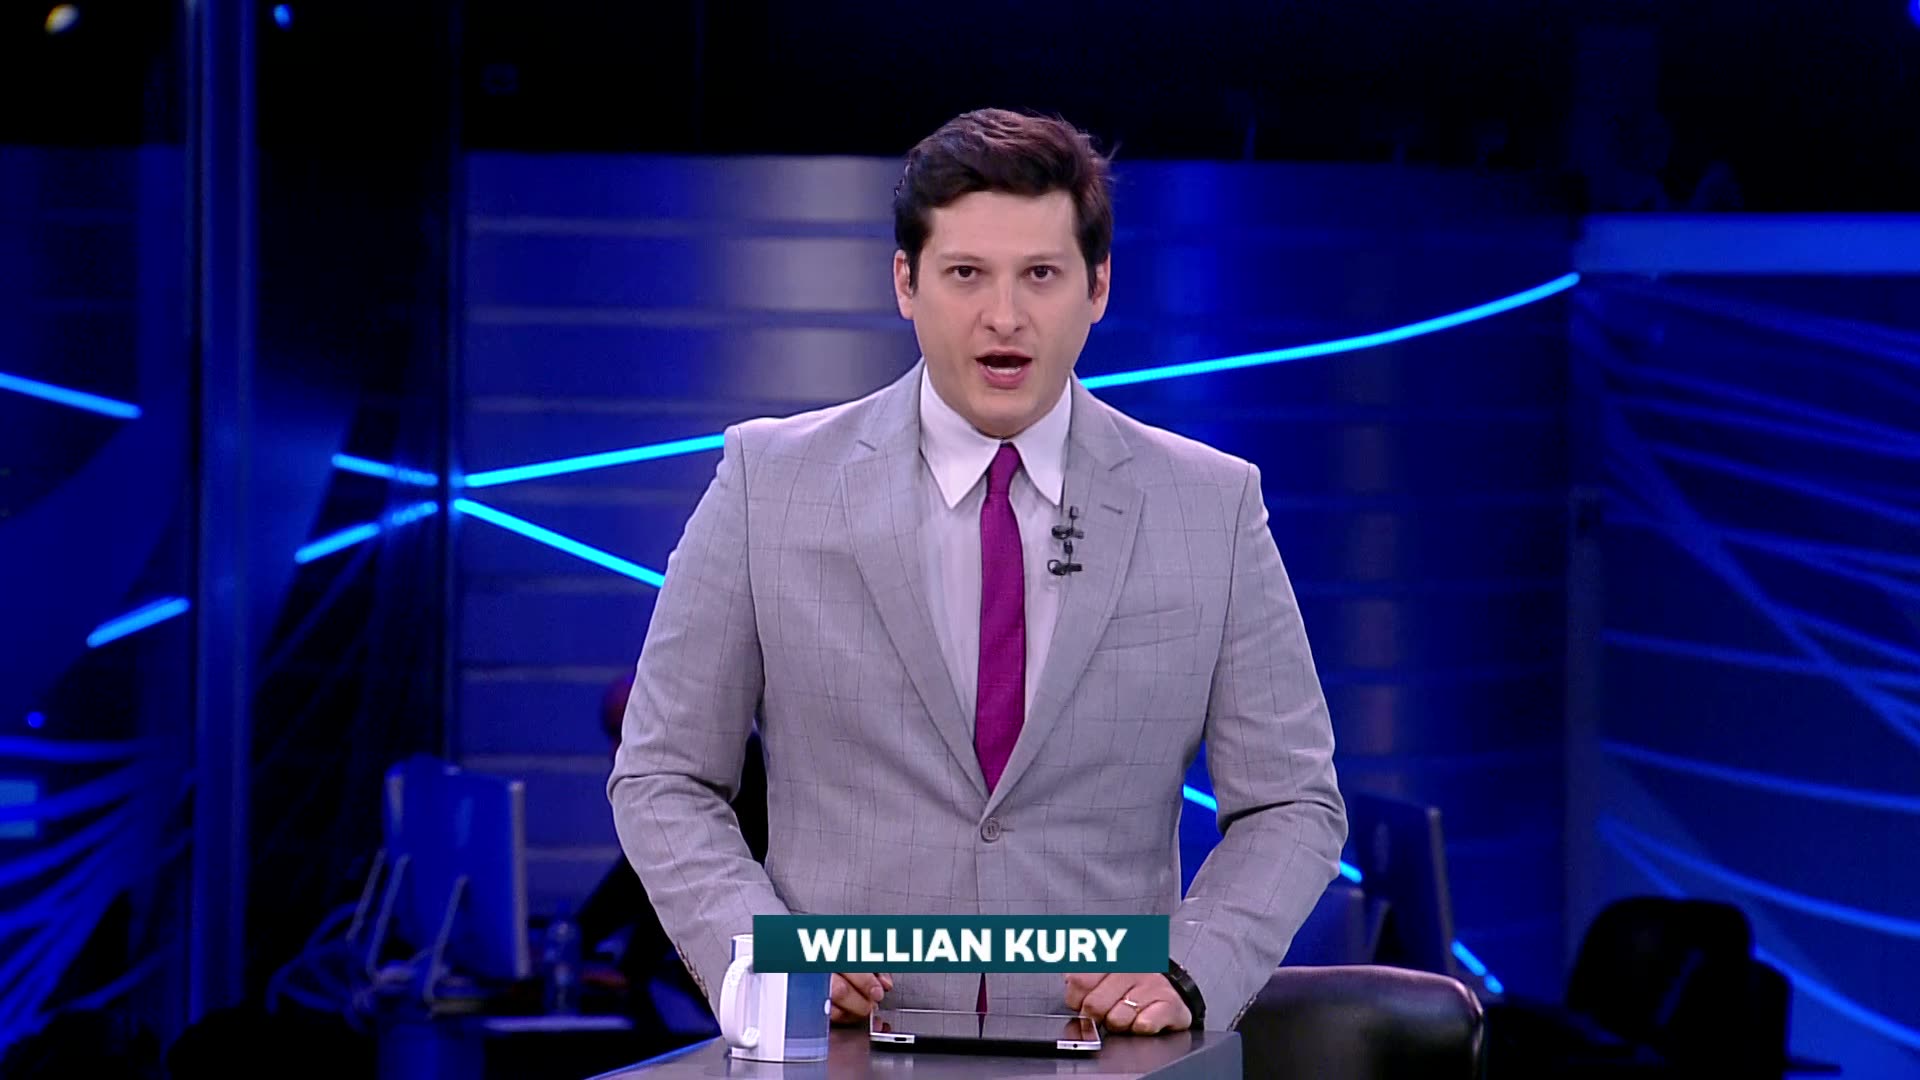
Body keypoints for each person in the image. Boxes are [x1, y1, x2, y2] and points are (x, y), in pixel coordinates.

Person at [609, 108, 1346, 1035]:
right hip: (842, 1048)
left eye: (1041, 274)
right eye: (966, 274)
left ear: (1098, 287)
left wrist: (1194, 970)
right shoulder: (770, 484)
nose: (1005, 316)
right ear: (905, 283)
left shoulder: (1211, 506)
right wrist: (760, 958)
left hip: (1106, 1053)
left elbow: (1291, 801)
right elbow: (665, 775)